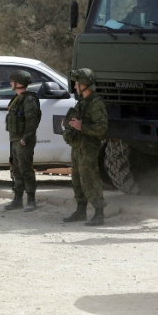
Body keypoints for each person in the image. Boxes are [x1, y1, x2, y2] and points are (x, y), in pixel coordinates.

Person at [62, 68, 108, 226]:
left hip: (88, 147)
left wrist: (82, 126)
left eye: (77, 84)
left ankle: (99, 214)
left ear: (84, 85)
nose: (75, 86)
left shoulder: (95, 103)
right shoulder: (83, 102)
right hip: (78, 146)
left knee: (90, 179)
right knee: (77, 180)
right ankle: (80, 211)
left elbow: (102, 128)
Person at [3, 70, 42, 212]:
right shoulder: (17, 98)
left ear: (19, 83)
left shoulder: (29, 99)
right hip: (15, 139)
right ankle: (17, 199)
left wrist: (26, 138)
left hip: (23, 140)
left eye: (12, 81)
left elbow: (32, 121)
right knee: (17, 170)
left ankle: (31, 200)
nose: (10, 83)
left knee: (26, 169)